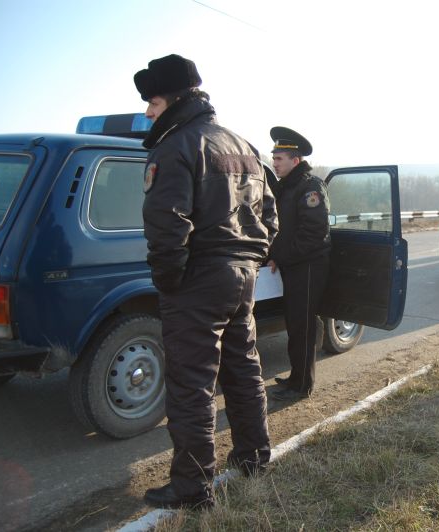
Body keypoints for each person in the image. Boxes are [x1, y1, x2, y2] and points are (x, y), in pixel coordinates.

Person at [134, 54, 278, 509]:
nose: (147, 112)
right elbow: (271, 215)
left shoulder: (177, 146)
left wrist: (170, 280)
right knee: (243, 367)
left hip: (198, 278)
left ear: (173, 98)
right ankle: (254, 457)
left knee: (191, 384)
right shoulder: (245, 146)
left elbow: (166, 222)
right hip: (241, 277)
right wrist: (253, 258)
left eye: (152, 102)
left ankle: (192, 490)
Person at [266, 126, 331, 401]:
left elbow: (313, 235)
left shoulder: (310, 187)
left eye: (279, 158)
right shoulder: (287, 187)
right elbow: (284, 228)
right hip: (293, 266)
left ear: (295, 160)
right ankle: (296, 376)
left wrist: (282, 256)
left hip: (307, 267)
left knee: (302, 326)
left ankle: (302, 386)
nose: (274, 163)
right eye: (274, 158)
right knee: (294, 324)